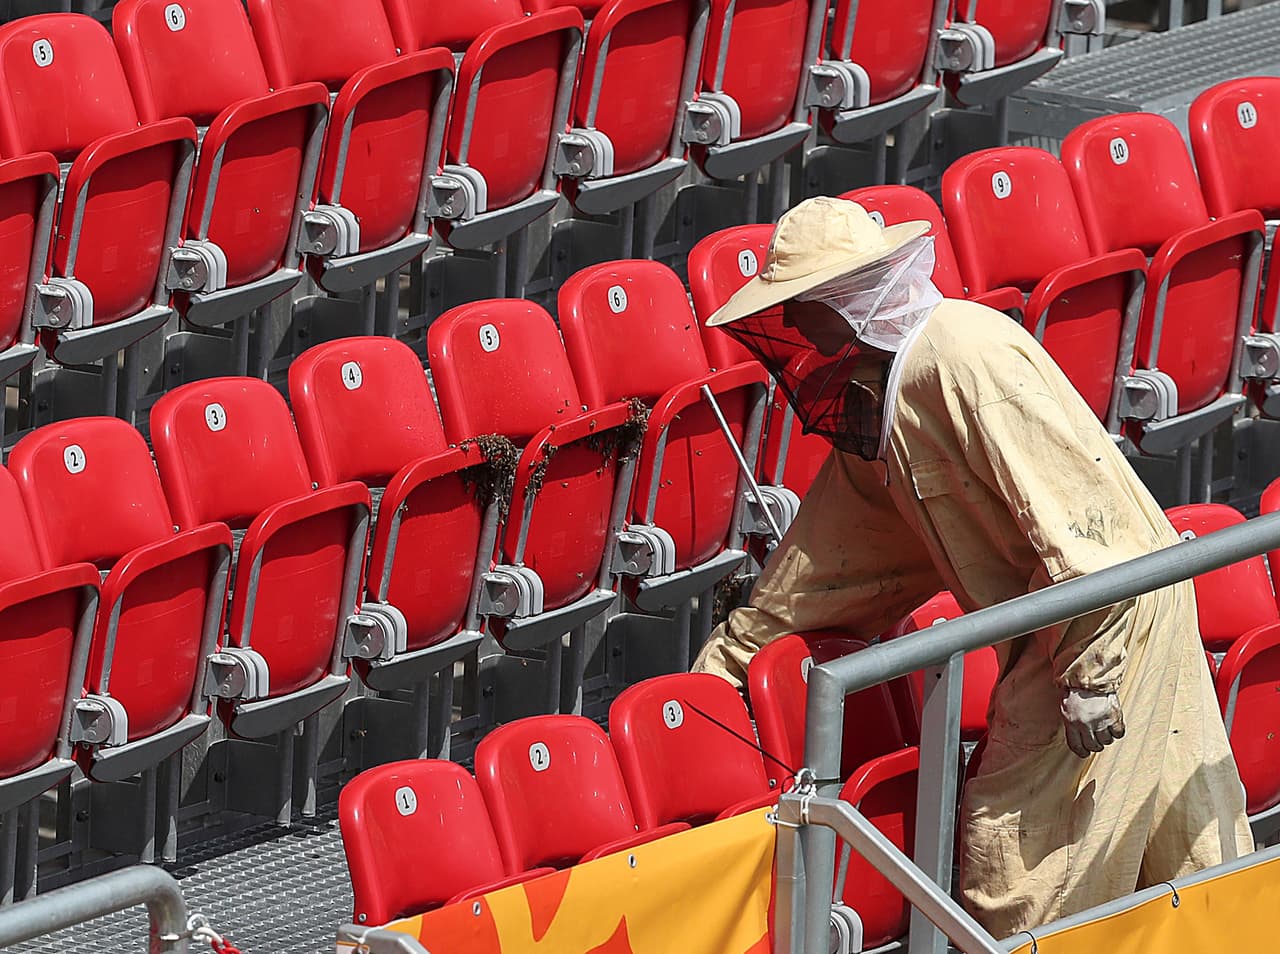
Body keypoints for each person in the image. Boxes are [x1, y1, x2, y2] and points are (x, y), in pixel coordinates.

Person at [692, 196, 1253, 938]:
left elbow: (1081, 523)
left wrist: (1092, 675)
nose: (792, 327)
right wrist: (724, 668)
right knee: (1182, 858)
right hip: (1097, 620)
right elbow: (833, 560)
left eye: (797, 305)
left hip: (1100, 628)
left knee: (1022, 873)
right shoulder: (897, 389)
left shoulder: (963, 358)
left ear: (840, 298)